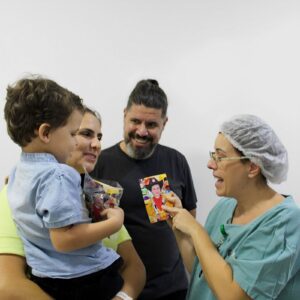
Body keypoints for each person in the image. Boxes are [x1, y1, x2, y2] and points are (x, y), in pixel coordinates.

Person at [0, 107, 146, 300]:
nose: (96, 144)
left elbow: (134, 266)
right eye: (85, 134)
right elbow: (7, 285)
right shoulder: (16, 195)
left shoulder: (100, 195)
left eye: (99, 137)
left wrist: (122, 298)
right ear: (53, 135)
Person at [163, 114, 300, 300]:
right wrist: (179, 227)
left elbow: (234, 296)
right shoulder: (225, 207)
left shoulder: (284, 223)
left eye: (220, 157)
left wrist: (195, 229)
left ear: (252, 167)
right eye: (213, 155)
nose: (210, 164)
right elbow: (203, 273)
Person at [91, 79, 198, 300]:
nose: (141, 131)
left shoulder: (176, 161)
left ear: (164, 123)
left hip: (172, 290)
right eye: (135, 121)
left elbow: (189, 224)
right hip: (118, 290)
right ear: (124, 115)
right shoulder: (99, 163)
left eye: (151, 125)